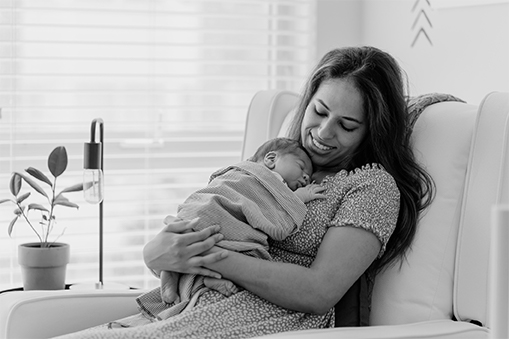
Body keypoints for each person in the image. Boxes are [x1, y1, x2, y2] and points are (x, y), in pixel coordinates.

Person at [55, 46, 435, 339]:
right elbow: (202, 218)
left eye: (347, 126)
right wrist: (156, 252)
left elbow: (318, 292)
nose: (323, 133)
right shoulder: (275, 161)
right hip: (191, 301)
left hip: (268, 318)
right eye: (319, 112)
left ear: (373, 131)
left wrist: (212, 257)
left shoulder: (372, 187)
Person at [159, 137, 326, 306]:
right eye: (301, 166)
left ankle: (199, 277)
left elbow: (270, 207)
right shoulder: (262, 177)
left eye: (309, 176)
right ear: (271, 159)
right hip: (211, 206)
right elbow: (281, 211)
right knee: (197, 241)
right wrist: (300, 198)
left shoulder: (278, 188)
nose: (306, 177)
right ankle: (173, 274)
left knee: (232, 253)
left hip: (212, 221)